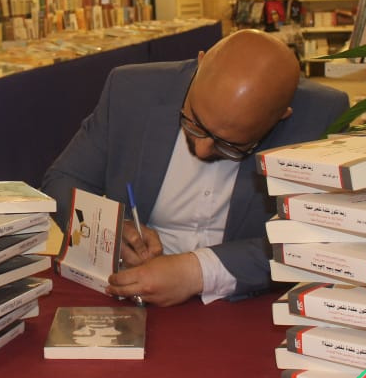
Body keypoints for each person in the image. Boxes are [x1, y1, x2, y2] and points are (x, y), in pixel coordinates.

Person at [40, 29, 347, 307]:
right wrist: (111, 229)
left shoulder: (320, 116)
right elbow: (62, 180)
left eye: (231, 146)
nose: (201, 149)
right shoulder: (131, 91)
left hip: (245, 304)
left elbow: (322, 236)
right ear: (199, 65)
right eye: (193, 122)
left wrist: (199, 271)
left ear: (281, 116)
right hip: (131, 294)